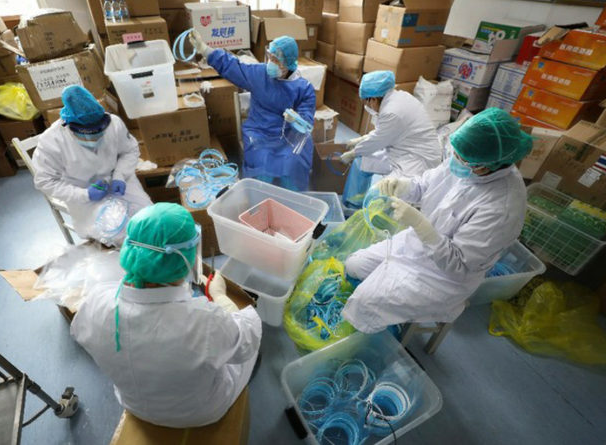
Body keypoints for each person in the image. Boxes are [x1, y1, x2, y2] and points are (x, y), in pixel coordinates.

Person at [71, 203, 261, 428]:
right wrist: (219, 297)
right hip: (201, 412)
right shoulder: (204, 321)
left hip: (133, 404)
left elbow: (79, 332)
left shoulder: (96, 300)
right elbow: (247, 341)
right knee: (250, 339)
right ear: (185, 256)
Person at [342, 108, 532, 333]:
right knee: (353, 265)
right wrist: (403, 186)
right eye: (456, 153)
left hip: (441, 278)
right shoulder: (467, 162)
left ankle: (378, 329)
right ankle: (383, 306)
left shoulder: (502, 207)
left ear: (487, 165)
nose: (455, 160)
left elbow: (458, 266)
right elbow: (426, 183)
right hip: (415, 245)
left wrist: (421, 226)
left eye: (462, 158)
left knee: (363, 306)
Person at [189, 31, 316, 191]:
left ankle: (295, 199)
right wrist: (205, 49)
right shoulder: (260, 74)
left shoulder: (304, 88)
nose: (270, 63)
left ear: (288, 62)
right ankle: (258, 196)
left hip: (288, 136)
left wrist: (296, 120)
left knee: (294, 162)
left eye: (276, 60)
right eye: (270, 57)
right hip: (259, 132)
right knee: (262, 162)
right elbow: (233, 66)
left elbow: (307, 120)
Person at [32, 85, 152, 243]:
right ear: (69, 124)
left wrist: (120, 175)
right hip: (82, 193)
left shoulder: (114, 124)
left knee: (149, 217)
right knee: (116, 231)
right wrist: (85, 194)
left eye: (99, 130)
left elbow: (129, 151)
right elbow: (45, 181)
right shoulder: (51, 141)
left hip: (118, 183)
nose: (95, 137)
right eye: (87, 132)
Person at [340, 71, 442, 179]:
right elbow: (384, 132)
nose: (368, 106)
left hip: (418, 159)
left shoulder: (392, 112)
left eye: (367, 102)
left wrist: (353, 153)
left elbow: (378, 139)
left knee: (389, 190)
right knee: (364, 162)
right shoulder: (398, 97)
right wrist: (360, 140)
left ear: (374, 99)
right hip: (404, 146)